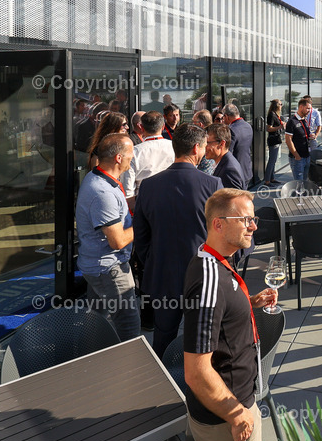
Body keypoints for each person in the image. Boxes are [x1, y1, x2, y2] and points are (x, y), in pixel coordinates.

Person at [183, 189, 277, 441]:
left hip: (220, 414)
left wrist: (249, 304)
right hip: (226, 418)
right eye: (246, 219)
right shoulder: (210, 277)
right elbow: (196, 371)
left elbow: (216, 319)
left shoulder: (215, 263)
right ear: (218, 225)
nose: (253, 226)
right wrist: (237, 415)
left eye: (254, 219)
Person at [133, 124, 223, 355]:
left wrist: (154, 260)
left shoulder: (149, 186)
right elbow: (221, 232)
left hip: (163, 274)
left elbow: (140, 236)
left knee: (163, 336)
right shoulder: (212, 185)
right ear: (196, 148)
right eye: (203, 147)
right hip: (203, 276)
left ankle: (163, 382)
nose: (204, 152)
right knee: (204, 337)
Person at [75, 133, 139, 340]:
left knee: (96, 322)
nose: (133, 157)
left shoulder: (100, 178)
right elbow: (118, 240)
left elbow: (117, 209)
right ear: (118, 158)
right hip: (109, 269)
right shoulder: (102, 192)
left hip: (98, 265)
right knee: (129, 325)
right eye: (131, 153)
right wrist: (145, 224)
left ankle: (90, 358)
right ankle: (131, 369)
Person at [125, 111, 174, 211]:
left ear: (141, 128)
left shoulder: (133, 153)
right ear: (163, 126)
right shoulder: (176, 148)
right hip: (172, 204)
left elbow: (128, 193)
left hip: (144, 207)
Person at [206, 123, 248, 190]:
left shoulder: (229, 170)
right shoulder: (224, 163)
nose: (204, 146)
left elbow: (234, 199)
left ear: (221, 144)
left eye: (208, 143)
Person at [284, 98, 313, 182]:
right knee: (298, 184)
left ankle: (303, 195)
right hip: (297, 159)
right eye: (307, 108)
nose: (309, 111)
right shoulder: (292, 122)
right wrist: (296, 155)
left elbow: (303, 135)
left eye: (310, 109)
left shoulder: (304, 120)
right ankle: (298, 195)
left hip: (306, 156)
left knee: (305, 182)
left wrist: (311, 136)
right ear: (301, 107)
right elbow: (288, 140)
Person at [224, 104, 253, 185]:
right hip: (247, 170)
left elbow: (227, 154)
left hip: (236, 173)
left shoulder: (231, 130)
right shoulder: (247, 126)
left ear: (226, 116)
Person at [263, 99, 285, 186]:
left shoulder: (275, 114)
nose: (281, 105)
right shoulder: (271, 115)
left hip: (277, 139)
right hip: (273, 140)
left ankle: (272, 178)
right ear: (277, 105)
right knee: (271, 161)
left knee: (274, 160)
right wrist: (279, 127)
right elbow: (269, 128)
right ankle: (267, 181)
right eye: (280, 104)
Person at [193, 110, 216, 175]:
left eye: (194, 122)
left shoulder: (201, 139)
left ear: (200, 124)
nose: (192, 125)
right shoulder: (216, 136)